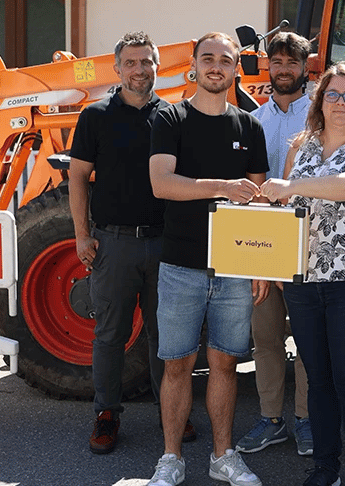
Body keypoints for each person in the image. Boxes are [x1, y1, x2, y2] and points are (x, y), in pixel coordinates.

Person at [146, 32, 271, 486]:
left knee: (225, 364)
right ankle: (171, 459)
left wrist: (261, 265)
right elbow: (163, 183)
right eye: (208, 59)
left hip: (235, 270)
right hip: (181, 266)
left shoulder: (250, 126)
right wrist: (220, 185)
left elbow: (260, 201)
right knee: (177, 364)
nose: (216, 66)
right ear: (194, 67)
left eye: (225, 60)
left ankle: (224, 456)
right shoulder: (171, 117)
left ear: (237, 68)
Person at [259, 62, 345, 486]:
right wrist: (274, 264)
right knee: (317, 379)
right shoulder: (301, 146)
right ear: (319, 102)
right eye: (332, 94)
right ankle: (324, 468)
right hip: (304, 282)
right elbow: (285, 212)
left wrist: (292, 186)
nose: (340, 102)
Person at [69, 31, 195, 455]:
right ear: (117, 68)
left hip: (166, 244)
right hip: (114, 244)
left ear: (158, 67)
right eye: (131, 63)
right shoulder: (96, 116)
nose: (139, 70)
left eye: (147, 62)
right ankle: (107, 413)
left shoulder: (175, 117)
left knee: (168, 336)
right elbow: (77, 176)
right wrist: (82, 234)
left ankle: (171, 412)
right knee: (110, 334)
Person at [236, 31, 315, 457]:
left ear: (305, 67)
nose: (283, 70)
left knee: (305, 338)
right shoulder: (253, 121)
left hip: (308, 242)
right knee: (264, 336)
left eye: (291, 63)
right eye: (277, 63)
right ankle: (271, 419)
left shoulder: (322, 116)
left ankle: (305, 419)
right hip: (262, 242)